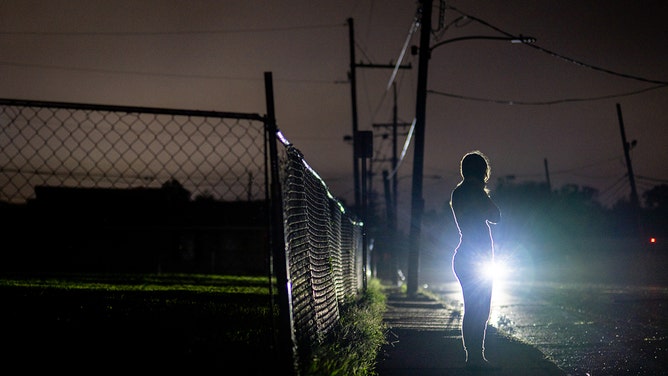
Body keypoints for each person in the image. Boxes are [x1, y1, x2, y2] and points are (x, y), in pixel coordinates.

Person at [450, 150, 501, 369]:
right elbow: (496, 216)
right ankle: (476, 358)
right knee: (480, 310)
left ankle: (473, 357)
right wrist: (483, 193)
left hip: (464, 256)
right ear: (482, 172)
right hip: (476, 258)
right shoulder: (476, 192)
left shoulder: (458, 192)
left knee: (472, 309)